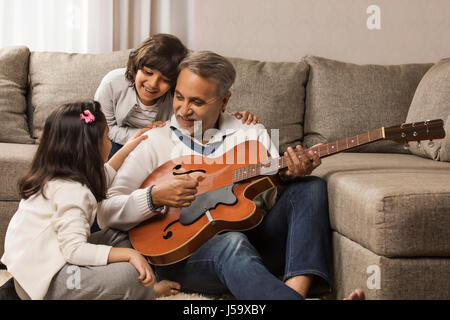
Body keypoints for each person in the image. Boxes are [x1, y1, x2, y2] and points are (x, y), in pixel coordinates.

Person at [98, 51, 365, 300]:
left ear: (225, 100)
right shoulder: (154, 140)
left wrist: (287, 177)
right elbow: (105, 211)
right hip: (183, 256)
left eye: (197, 102)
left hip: (254, 242)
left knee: (310, 186)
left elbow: (272, 203)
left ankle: (294, 290)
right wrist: (153, 197)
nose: (183, 110)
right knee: (231, 243)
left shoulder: (251, 132)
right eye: (179, 97)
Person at [0, 101, 180, 300]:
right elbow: (74, 250)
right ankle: (146, 293)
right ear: (91, 149)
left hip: (45, 259)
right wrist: (130, 255)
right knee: (129, 276)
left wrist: (128, 148)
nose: (110, 142)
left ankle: (137, 288)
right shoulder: (72, 191)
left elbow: (106, 174)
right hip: (45, 282)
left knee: (121, 236)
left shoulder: (59, 175)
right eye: (106, 136)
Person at [95, 33, 259, 160]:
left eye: (165, 80)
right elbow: (103, 129)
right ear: (136, 67)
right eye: (148, 72)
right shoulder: (113, 83)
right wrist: (144, 134)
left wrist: (236, 118)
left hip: (154, 148)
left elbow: (201, 115)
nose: (152, 84)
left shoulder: (177, 99)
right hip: (112, 142)